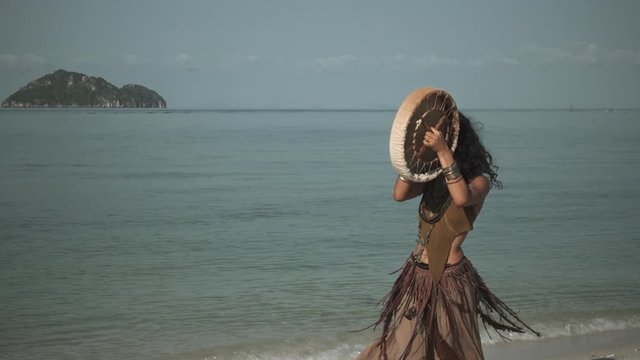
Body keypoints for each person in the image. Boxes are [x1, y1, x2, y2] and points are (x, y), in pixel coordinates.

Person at [356, 113, 539, 360]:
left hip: (450, 279)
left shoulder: (478, 182)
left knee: (456, 351)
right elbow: (399, 194)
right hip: (416, 276)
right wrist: (418, 157)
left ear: (456, 142)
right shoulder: (433, 178)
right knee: (406, 346)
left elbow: (461, 197)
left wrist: (443, 151)